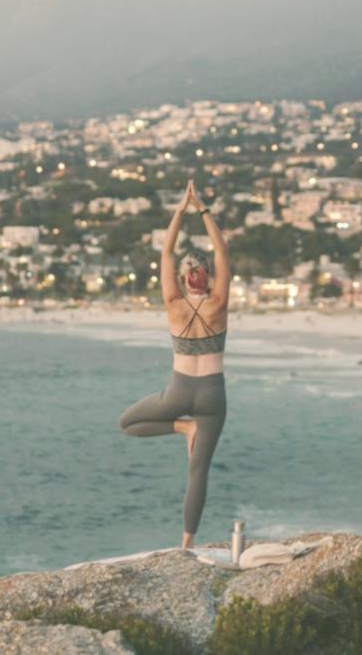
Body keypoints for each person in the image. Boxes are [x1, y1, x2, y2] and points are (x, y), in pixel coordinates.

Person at [117, 178, 231, 549]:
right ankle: (186, 544)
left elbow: (164, 254)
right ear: (207, 275)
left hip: (179, 390)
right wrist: (203, 210)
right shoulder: (218, 304)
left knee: (128, 423)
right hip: (213, 394)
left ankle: (182, 429)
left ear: (183, 279)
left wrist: (179, 212)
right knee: (198, 473)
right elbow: (222, 251)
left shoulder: (173, 303)